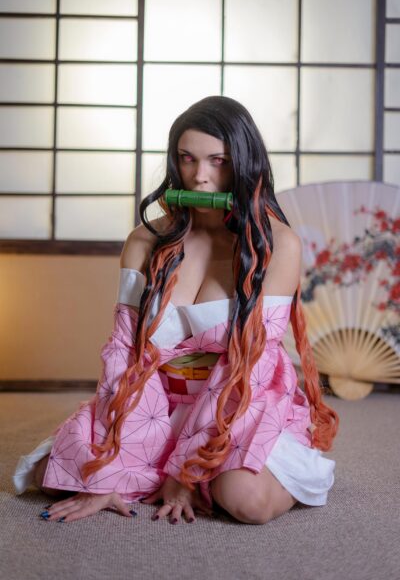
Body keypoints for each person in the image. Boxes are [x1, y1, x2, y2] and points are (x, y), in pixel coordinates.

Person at [13, 95, 339, 525]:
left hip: (239, 399)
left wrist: (187, 469)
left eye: (218, 161)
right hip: (154, 399)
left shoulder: (277, 245)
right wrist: (111, 471)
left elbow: (252, 364)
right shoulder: (144, 241)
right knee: (57, 476)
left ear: (244, 165)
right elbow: (126, 352)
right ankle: (148, 468)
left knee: (245, 500)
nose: (200, 177)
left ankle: (239, 463)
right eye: (188, 159)